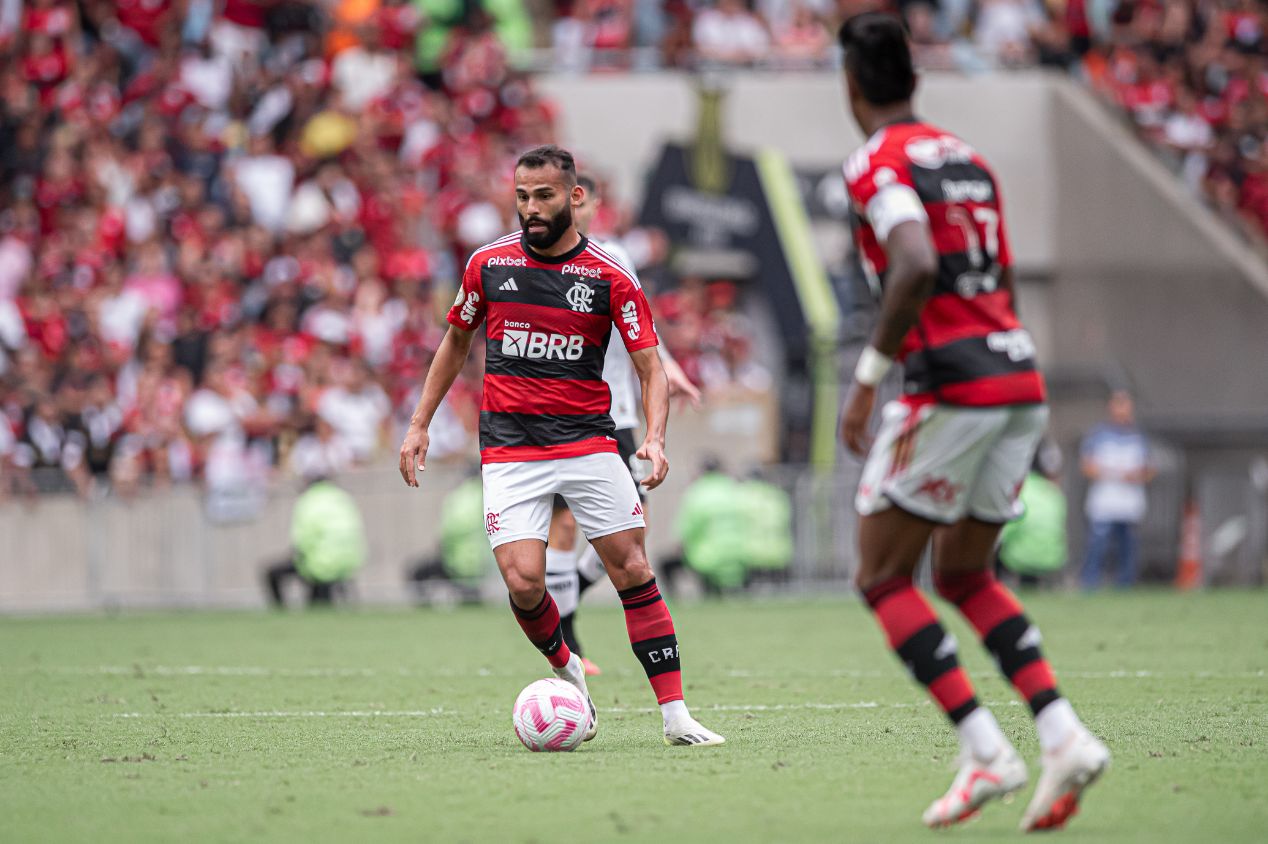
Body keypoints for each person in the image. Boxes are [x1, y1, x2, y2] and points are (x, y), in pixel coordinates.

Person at [836, 14, 1108, 831]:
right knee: (962, 577)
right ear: (914, 81)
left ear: (851, 87)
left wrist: (867, 379)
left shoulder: (874, 162)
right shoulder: (968, 158)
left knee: (883, 577)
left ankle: (987, 748)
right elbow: (1000, 272)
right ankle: (1062, 735)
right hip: (1016, 376)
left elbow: (915, 261)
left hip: (950, 385)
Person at [398, 145, 724, 747]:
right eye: (522, 196)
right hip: (509, 449)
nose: (531, 208)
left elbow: (651, 368)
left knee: (632, 566)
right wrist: (420, 422)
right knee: (524, 581)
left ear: (574, 197)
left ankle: (676, 715)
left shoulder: (608, 275)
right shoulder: (487, 265)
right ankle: (567, 667)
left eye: (543, 195)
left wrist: (652, 438)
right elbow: (454, 342)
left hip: (588, 444)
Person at [543, 174, 702, 676]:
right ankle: (566, 637)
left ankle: (559, 601)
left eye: (584, 201)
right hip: (569, 412)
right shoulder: (536, 259)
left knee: (636, 530)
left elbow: (641, 322)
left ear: (591, 206)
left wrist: (669, 367)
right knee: (566, 523)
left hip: (622, 415)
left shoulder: (613, 257)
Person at [1080, 390, 1155, 589]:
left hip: (1129, 502)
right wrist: (1111, 472)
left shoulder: (1139, 437)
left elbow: (1149, 470)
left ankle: (1125, 585)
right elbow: (1087, 466)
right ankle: (1089, 583)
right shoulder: (1098, 435)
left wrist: (1136, 475)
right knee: (1098, 544)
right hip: (1105, 500)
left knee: (1127, 546)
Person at [265, 476, 367, 607]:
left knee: (274, 573)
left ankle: (281, 610)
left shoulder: (308, 500)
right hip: (348, 563)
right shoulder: (343, 497)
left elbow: (303, 540)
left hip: (319, 564)